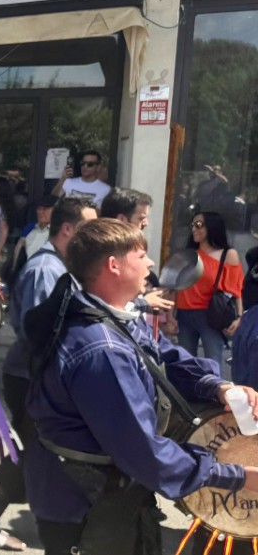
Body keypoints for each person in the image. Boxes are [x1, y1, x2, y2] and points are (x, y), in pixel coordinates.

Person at [24, 218, 258, 555]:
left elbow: (163, 354)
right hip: (87, 505)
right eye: (141, 255)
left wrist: (217, 386)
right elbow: (143, 450)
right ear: (114, 266)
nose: (150, 263)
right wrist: (238, 477)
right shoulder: (103, 350)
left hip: (102, 493)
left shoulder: (109, 315)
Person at [0, 197, 97, 551]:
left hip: (41, 375)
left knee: (35, 448)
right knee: (31, 448)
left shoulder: (63, 265)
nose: (96, 234)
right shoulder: (45, 270)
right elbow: (39, 333)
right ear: (68, 229)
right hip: (31, 375)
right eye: (89, 227)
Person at [175, 211, 243, 367]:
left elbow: (236, 289)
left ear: (212, 227)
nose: (194, 229)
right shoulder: (189, 254)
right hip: (184, 314)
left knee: (212, 362)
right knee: (185, 363)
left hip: (211, 315)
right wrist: (171, 314)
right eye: (192, 225)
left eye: (199, 225)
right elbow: (177, 287)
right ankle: (186, 392)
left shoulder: (228, 254)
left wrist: (239, 317)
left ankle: (214, 392)